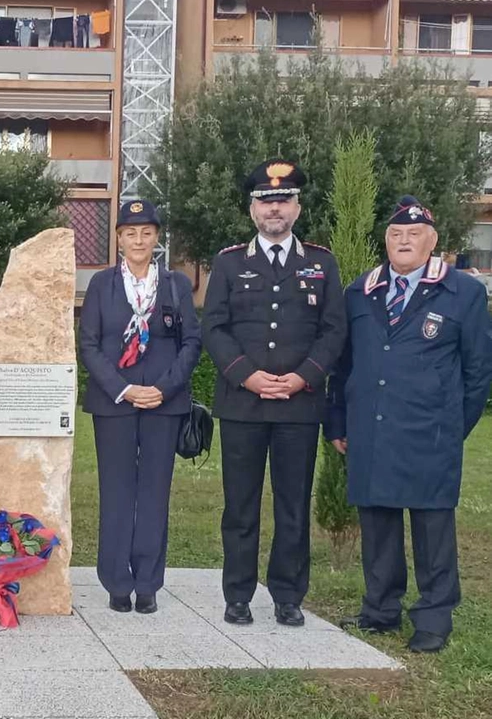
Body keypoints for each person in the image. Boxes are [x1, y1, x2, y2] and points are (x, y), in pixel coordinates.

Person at [327, 196, 492, 653]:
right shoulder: (361, 291)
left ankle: (434, 620)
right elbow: (343, 368)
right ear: (387, 241)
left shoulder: (464, 292)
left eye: (414, 234)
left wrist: (451, 426)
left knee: (432, 530)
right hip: (372, 430)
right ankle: (379, 611)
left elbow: (479, 371)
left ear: (432, 241)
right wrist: (338, 420)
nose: (404, 241)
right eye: (396, 234)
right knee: (377, 524)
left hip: (430, 434)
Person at [201, 160, 346, 627]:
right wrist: (247, 375)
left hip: (298, 406)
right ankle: (238, 594)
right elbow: (215, 327)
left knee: (292, 506)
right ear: (252, 211)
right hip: (244, 404)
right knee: (240, 506)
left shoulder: (321, 262)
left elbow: (333, 329)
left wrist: (305, 376)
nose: (274, 209)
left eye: (283, 200)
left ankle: (287, 594)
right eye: (266, 201)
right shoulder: (228, 262)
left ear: (297, 208)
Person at [78, 200, 202, 614]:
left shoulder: (176, 285)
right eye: (130, 232)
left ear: (156, 238)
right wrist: (124, 389)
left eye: (146, 232)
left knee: (153, 493)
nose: (138, 239)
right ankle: (116, 581)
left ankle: (147, 582)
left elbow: (191, 343)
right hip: (115, 403)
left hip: (163, 405)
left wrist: (164, 389)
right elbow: (89, 345)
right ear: (118, 239)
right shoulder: (101, 285)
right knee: (115, 492)